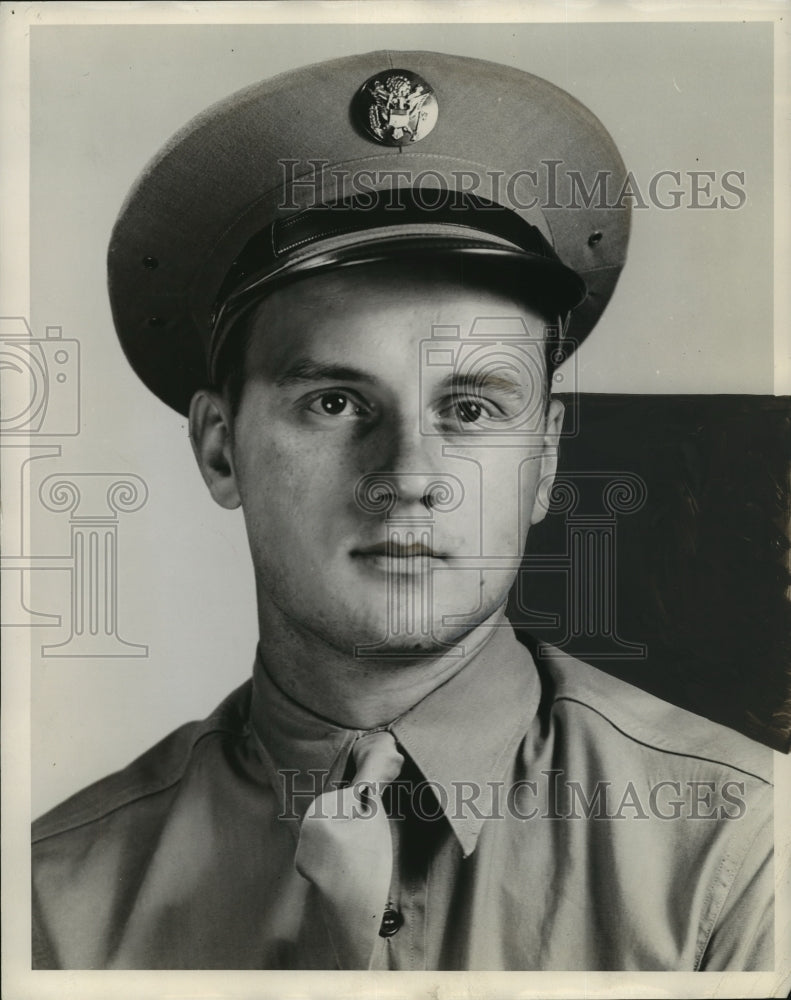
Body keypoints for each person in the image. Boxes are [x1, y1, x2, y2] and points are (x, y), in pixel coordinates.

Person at [31, 49, 773, 971]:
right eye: (335, 402)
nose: (410, 476)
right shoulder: (53, 904)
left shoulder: (740, 859)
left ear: (543, 458)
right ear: (220, 449)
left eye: (471, 409)